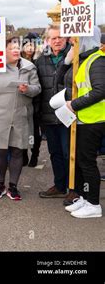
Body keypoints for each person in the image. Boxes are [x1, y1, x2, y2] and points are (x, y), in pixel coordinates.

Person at [0, 36, 41, 200]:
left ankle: (13, 186)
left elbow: (37, 88)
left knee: (17, 150)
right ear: (3, 50)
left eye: (17, 47)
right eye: (11, 47)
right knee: (0, 151)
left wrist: (27, 89)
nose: (15, 50)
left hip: (21, 115)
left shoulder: (29, 67)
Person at [56, 27, 104, 218]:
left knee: (88, 163)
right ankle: (85, 198)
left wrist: (73, 105)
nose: (72, 43)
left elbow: (100, 90)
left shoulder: (97, 60)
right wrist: (67, 62)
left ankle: (94, 204)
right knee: (83, 162)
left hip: (94, 119)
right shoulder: (83, 58)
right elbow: (60, 80)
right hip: (85, 118)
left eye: (75, 40)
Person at [35, 25, 73, 204]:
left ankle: (74, 188)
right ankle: (59, 186)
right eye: (53, 38)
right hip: (48, 116)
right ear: (48, 40)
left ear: (66, 38)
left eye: (60, 37)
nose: (57, 41)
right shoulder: (41, 60)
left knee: (69, 153)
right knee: (55, 153)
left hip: (69, 114)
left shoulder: (75, 57)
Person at [21, 32, 43, 167]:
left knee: (34, 132)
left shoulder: (39, 61)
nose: (30, 48)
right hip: (21, 100)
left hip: (36, 101)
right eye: (27, 45)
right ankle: (23, 155)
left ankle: (34, 154)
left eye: (32, 45)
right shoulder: (18, 61)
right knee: (21, 131)